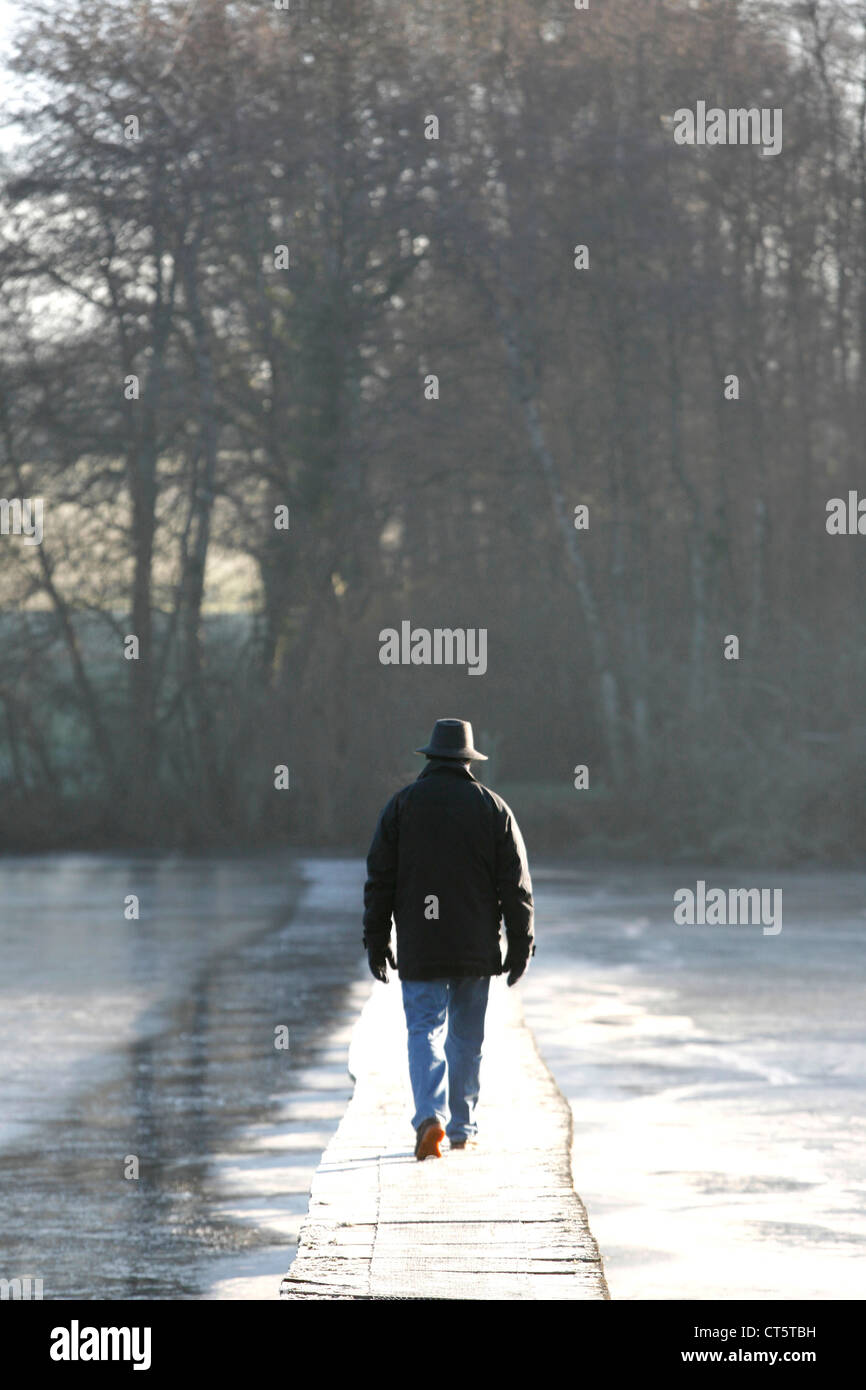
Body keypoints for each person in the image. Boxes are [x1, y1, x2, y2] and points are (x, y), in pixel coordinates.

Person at [362, 718, 535, 1160]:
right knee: (466, 1038)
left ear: (431, 758)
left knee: (423, 1030)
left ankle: (429, 1118)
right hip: (475, 947)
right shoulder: (494, 809)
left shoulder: (401, 807)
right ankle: (462, 1127)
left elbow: (379, 879)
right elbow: (515, 886)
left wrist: (376, 938)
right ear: (467, 761)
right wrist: (520, 945)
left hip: (420, 944)